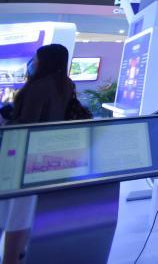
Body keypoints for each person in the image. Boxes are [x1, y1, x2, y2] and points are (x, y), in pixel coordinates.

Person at [0, 44, 76, 263]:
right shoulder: (66, 85)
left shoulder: (39, 86)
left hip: (21, 152)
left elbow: (27, 123)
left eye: (36, 58)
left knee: (10, 207)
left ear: (45, 61)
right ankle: (16, 255)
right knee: (23, 209)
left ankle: (10, 258)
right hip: (43, 154)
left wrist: (5, 122)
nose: (33, 62)